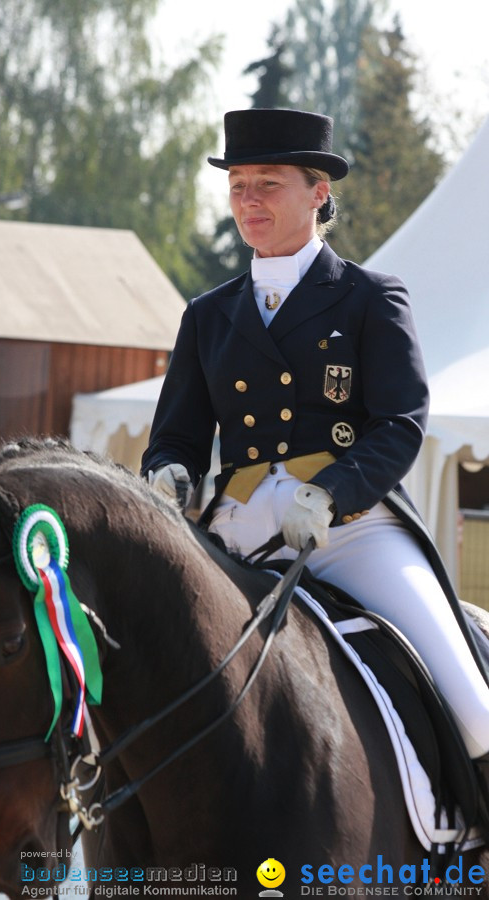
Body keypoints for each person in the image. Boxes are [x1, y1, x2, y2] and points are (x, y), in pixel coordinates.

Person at [140, 107, 489, 788]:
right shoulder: (208, 315)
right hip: (234, 535)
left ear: (318, 192)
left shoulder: (368, 298)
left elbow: (400, 423)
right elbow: (176, 437)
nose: (248, 202)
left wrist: (331, 490)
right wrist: (170, 476)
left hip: (350, 531)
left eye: (267, 184)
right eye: (238, 186)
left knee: (473, 707)